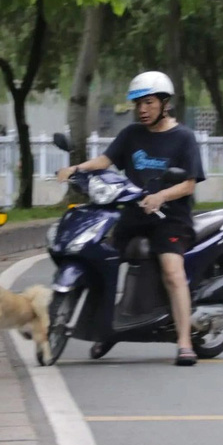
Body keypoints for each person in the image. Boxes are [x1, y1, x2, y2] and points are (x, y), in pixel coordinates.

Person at [55, 71, 206, 366]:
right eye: (138, 103)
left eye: (148, 103)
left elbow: (189, 183)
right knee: (100, 259)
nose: (142, 109)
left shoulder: (183, 138)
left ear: (164, 103)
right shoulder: (131, 134)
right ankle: (107, 328)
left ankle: (185, 341)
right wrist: (76, 169)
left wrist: (161, 196)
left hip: (170, 217)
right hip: (133, 215)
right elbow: (105, 160)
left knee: (172, 272)